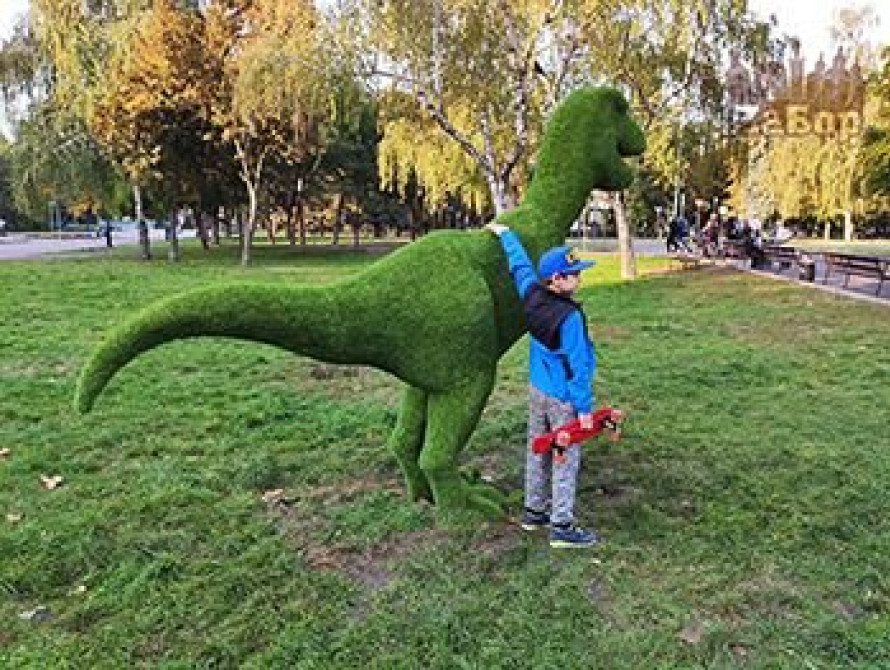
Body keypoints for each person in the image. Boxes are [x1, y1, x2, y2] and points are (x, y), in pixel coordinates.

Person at [486, 222, 600, 549]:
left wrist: (506, 234)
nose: (579, 278)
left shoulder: (531, 293)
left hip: (538, 389)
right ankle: (562, 524)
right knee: (565, 455)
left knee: (538, 447)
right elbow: (578, 368)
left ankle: (534, 511)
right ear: (556, 280)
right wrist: (585, 411)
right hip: (564, 397)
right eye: (573, 273)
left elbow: (520, 266)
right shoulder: (570, 318)